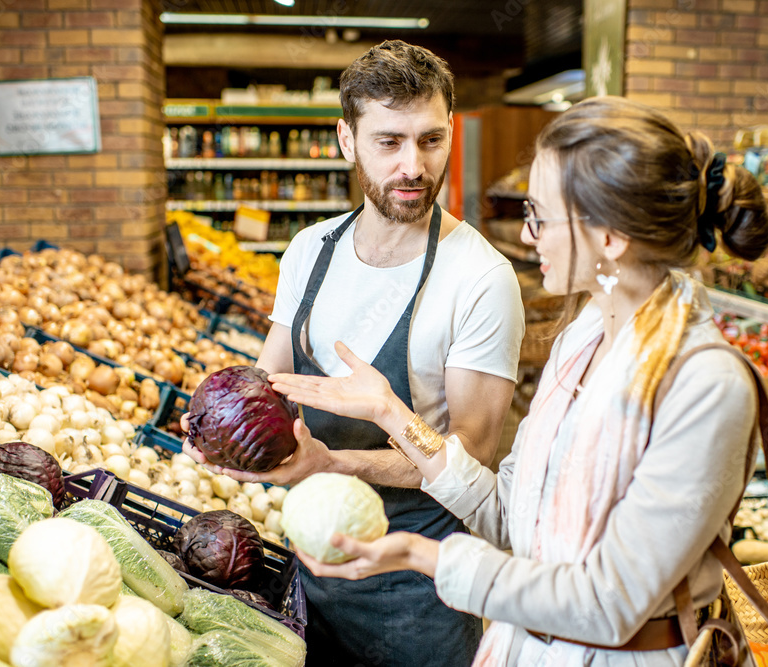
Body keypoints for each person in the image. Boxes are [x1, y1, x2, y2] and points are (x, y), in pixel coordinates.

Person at [270, 96, 768, 667]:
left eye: (539, 215)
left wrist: (424, 555)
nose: (528, 236)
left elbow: (609, 603)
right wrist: (392, 414)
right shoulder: (581, 343)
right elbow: (509, 515)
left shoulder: (704, 385)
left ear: (607, 235)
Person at [184, 40, 525, 667]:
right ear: (347, 139)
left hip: (419, 590)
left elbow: (469, 456)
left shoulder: (480, 278)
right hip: (310, 561)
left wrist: (331, 463)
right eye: (388, 142)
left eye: (430, 140)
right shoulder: (309, 251)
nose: (412, 166)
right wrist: (221, 421)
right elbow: (272, 377)